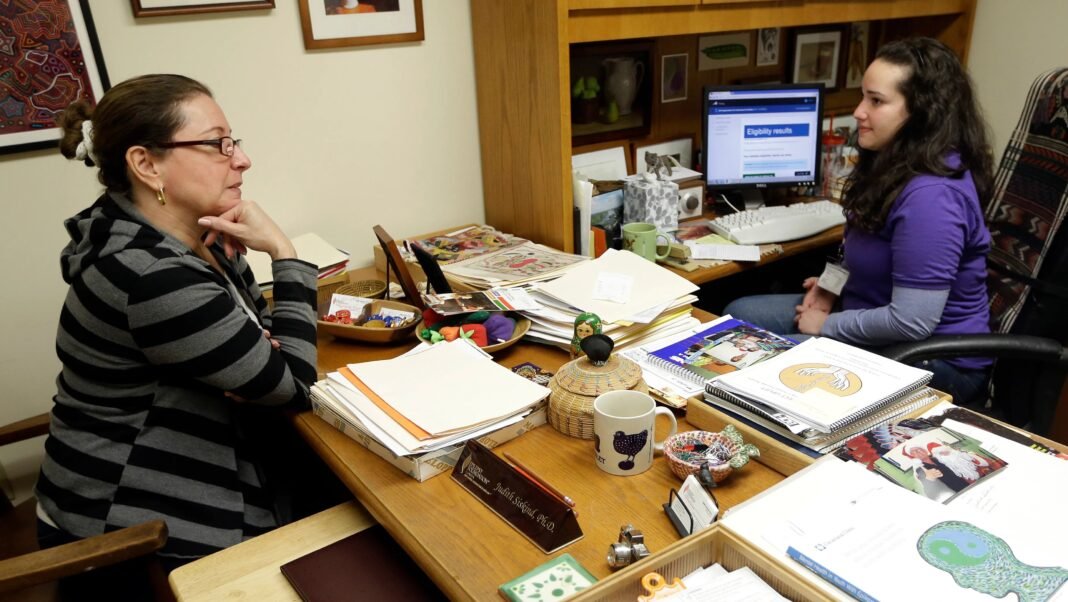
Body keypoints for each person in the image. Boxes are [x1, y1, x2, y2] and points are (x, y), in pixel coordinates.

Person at [36, 74, 319, 589]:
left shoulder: (178, 232)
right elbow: (293, 384)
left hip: (186, 464)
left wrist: (262, 359)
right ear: (146, 165)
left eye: (234, 141)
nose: (242, 160)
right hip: (132, 527)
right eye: (217, 144)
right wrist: (284, 253)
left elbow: (260, 339)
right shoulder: (149, 273)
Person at [723, 37, 994, 406]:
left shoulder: (933, 197)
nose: (859, 112)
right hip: (869, 311)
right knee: (737, 316)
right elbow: (861, 245)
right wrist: (830, 286)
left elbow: (912, 321)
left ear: (921, 113)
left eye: (876, 101)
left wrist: (826, 326)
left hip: (934, 357)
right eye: (863, 97)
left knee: (766, 367)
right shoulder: (893, 162)